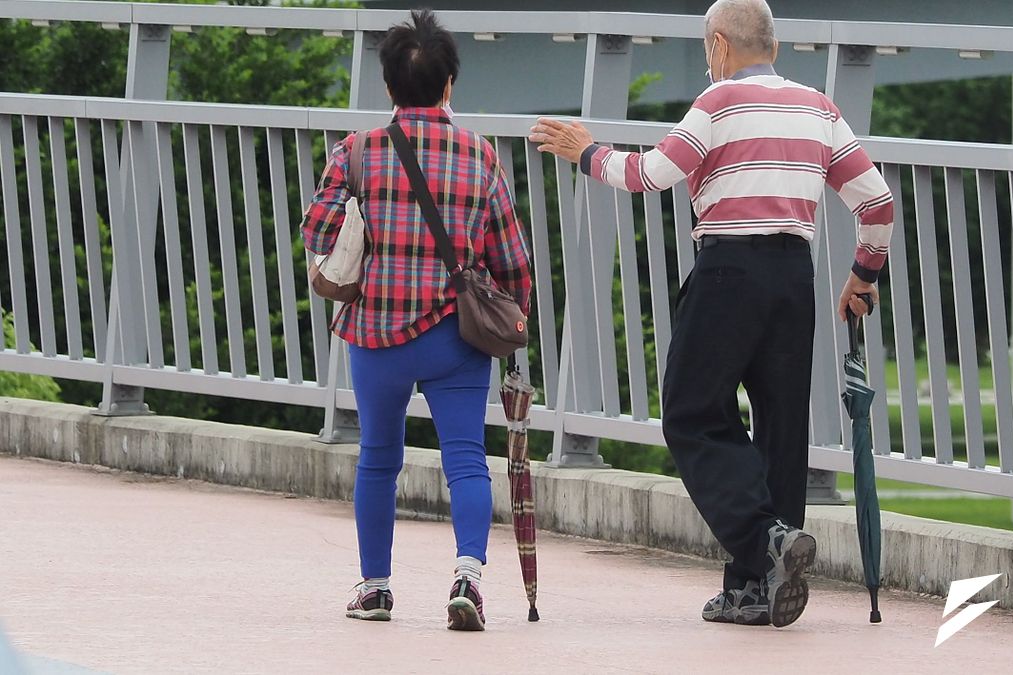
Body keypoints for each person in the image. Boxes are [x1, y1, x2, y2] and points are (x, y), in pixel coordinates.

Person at [530, 0, 892, 628]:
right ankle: (754, 589)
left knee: (692, 414)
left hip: (728, 271)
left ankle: (767, 542)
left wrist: (586, 152)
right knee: (780, 427)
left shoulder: (718, 102)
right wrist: (862, 273)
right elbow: (878, 203)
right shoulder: (819, 108)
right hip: (794, 277)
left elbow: (649, 174)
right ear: (772, 46)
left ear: (720, 46)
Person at [302, 9, 531, 631]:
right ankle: (467, 578)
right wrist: (512, 328)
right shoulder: (480, 157)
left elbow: (318, 231)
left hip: (376, 336)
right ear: (449, 85)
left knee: (378, 457)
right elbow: (512, 260)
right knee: (464, 460)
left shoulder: (357, 152)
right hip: (456, 337)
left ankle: (375, 589)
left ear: (387, 87)